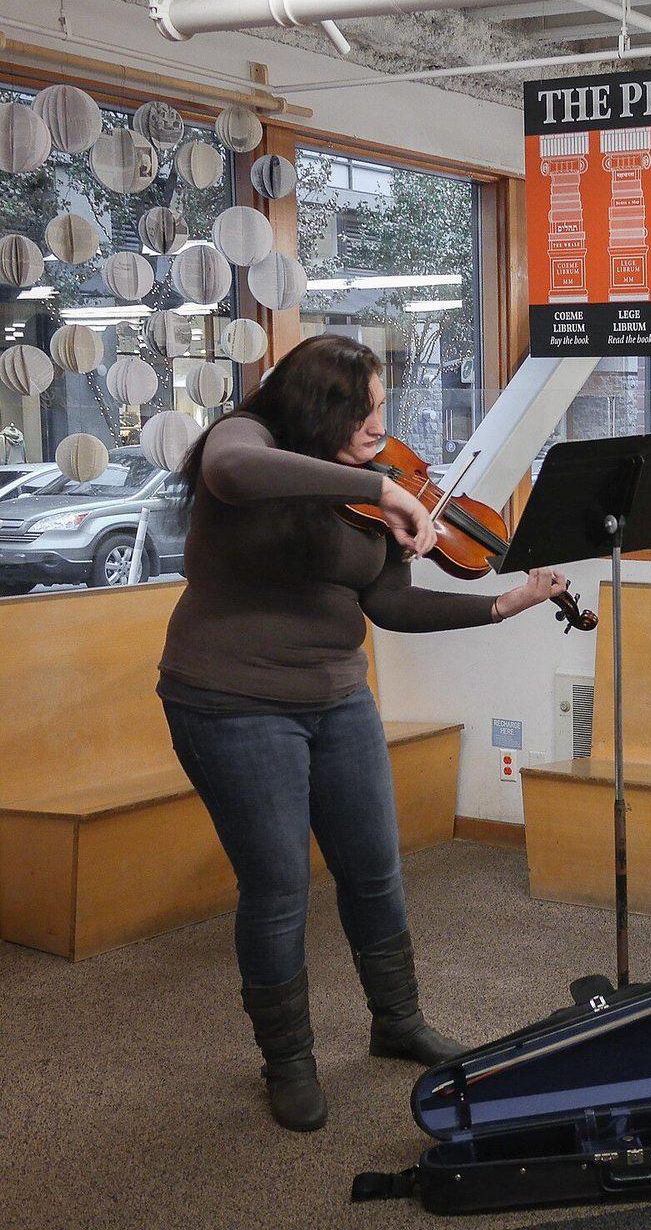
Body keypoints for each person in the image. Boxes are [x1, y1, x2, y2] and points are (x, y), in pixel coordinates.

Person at [159, 334, 568, 1133]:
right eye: (366, 411)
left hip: (337, 696)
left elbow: (389, 603)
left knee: (375, 871)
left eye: (383, 408)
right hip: (230, 700)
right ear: (318, 408)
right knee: (279, 889)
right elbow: (230, 474)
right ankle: (289, 1062)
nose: (382, 426)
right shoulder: (248, 441)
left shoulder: (377, 489)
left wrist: (498, 607)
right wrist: (378, 488)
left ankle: (396, 1021)